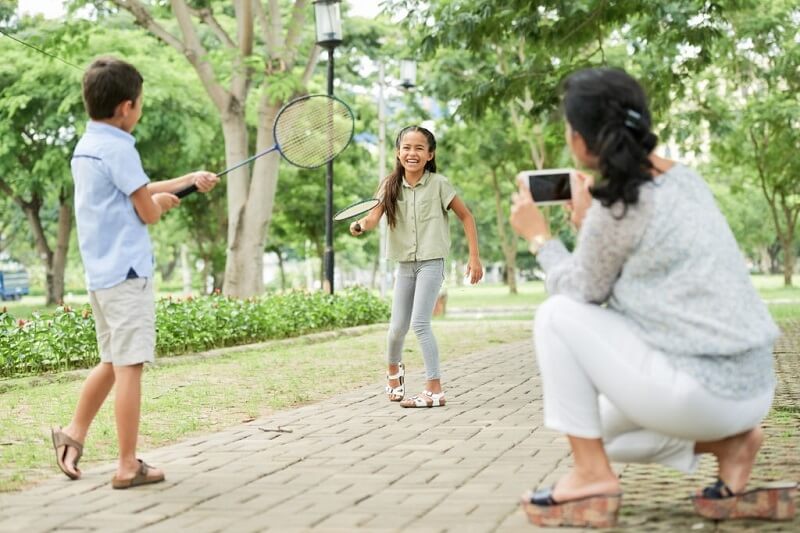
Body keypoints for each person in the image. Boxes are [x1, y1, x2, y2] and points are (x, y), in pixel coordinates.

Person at [510, 67, 794, 528]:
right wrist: (588, 224)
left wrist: (541, 240)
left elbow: (582, 292)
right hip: (753, 387)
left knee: (555, 315)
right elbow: (636, 268)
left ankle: (590, 476)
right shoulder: (685, 180)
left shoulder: (619, 205)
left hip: (702, 389)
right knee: (590, 429)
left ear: (581, 140)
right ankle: (731, 445)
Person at [51, 57, 219, 489]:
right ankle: (127, 465)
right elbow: (147, 208)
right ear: (127, 106)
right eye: (140, 102)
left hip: (101, 277)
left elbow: (135, 187)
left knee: (111, 361)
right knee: (130, 366)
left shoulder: (89, 143)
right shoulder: (121, 147)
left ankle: (73, 433)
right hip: (127, 276)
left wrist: (187, 180)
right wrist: (162, 204)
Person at [351, 125, 483, 408]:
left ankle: (434, 389)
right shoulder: (389, 186)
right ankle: (393, 371)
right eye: (407, 148)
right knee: (396, 328)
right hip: (404, 265)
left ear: (430, 154)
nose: (412, 153)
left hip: (431, 263)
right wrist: (361, 225)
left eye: (419, 148)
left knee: (420, 324)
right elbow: (373, 218)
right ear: (398, 153)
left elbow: (466, 216)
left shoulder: (439, 184)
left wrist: (474, 257)